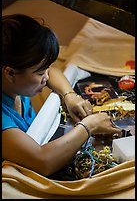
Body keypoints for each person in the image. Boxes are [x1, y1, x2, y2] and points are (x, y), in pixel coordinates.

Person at [2, 14, 122, 177]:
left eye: (46, 69)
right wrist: (89, 126)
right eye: (40, 73)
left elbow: (52, 71)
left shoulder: (14, 85)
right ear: (9, 73)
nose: (46, 77)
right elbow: (42, 161)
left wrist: (69, 95)